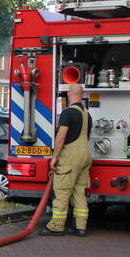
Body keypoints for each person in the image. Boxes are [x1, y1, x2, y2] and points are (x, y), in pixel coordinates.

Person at [41, 82, 92, 237]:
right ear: (82, 95)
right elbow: (87, 137)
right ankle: (80, 227)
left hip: (71, 156)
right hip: (85, 155)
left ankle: (56, 226)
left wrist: (54, 157)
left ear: (70, 94)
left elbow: (61, 136)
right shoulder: (87, 114)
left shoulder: (67, 113)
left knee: (62, 191)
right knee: (79, 192)